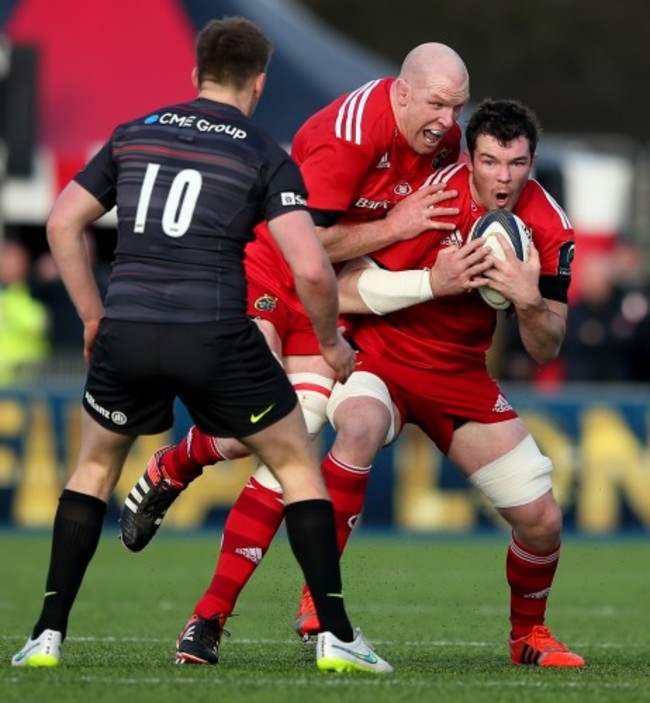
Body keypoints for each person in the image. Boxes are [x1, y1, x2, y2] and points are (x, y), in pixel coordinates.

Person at [11, 16, 392, 674]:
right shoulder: (263, 152)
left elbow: (63, 221)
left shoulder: (134, 132)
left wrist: (92, 314)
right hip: (214, 332)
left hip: (127, 327)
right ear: (261, 82)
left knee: (93, 471)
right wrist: (330, 343)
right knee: (298, 464)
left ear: (195, 75)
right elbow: (309, 266)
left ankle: (45, 634)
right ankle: (335, 635)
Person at [119, 41, 471, 662]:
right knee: (253, 426)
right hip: (268, 271)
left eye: (458, 107)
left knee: (290, 434)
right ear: (403, 90)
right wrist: (398, 228)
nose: (447, 121)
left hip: (325, 297)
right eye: (438, 104)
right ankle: (177, 468)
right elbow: (306, 246)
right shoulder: (350, 134)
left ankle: (207, 617)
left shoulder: (443, 141)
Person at [324, 98, 583, 667]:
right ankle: (318, 602)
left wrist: (527, 298)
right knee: (359, 427)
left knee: (541, 521)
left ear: (532, 162)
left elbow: (546, 347)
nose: (503, 177)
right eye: (490, 161)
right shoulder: (428, 199)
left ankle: (527, 636)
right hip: (381, 358)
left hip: (459, 375)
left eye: (516, 163)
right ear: (470, 159)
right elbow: (339, 287)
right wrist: (430, 281)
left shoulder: (550, 227)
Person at [0, 236, 50, 385]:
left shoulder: (39, 292)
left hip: (29, 383)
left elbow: (37, 325)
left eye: (17, 260)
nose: (12, 265)